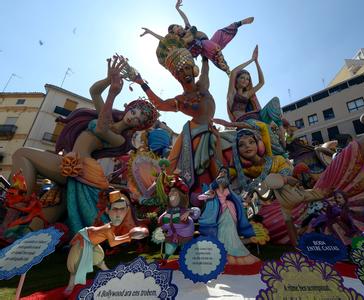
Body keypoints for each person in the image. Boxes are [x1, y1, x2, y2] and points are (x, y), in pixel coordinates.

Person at [233, 87, 364, 245]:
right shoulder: (244, 170)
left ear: (260, 143)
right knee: (273, 225)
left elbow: (291, 175)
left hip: (308, 196)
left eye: (251, 141)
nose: (247, 146)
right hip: (279, 211)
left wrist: (286, 177)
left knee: (343, 159)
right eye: (241, 144)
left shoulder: (277, 160)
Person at [7, 56, 159, 233]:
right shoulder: (108, 115)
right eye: (134, 111)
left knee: (22, 153)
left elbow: (102, 130)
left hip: (81, 166)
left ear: (139, 126)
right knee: (54, 208)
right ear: (128, 108)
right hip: (72, 162)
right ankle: (24, 233)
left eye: (138, 119)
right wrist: (108, 80)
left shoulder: (121, 140)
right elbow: (94, 92)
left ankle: (15, 208)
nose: (133, 116)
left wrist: (112, 93)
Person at [132, 50, 224, 194]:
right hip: (192, 132)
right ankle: (161, 190)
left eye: (187, 68)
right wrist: (142, 83)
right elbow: (160, 104)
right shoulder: (180, 100)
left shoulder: (203, 86)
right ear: (177, 77)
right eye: (180, 71)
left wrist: (205, 52)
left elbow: (205, 68)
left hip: (210, 129)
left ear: (194, 69)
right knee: (172, 161)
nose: (185, 72)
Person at [64, 191, 149, 295]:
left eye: (122, 209)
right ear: (108, 210)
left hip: (92, 242)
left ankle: (108, 274)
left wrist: (129, 236)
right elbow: (113, 243)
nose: (118, 213)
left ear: (127, 210)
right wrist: (129, 237)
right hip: (84, 240)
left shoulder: (111, 225)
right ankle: (71, 285)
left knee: (99, 259)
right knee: (76, 264)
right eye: (115, 209)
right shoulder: (109, 228)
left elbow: (114, 237)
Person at [141, 0, 253, 74]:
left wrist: (178, 9)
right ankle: (227, 70)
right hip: (198, 48)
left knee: (219, 33)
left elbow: (185, 19)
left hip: (206, 42)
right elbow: (163, 39)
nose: (178, 27)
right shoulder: (178, 40)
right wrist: (150, 32)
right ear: (173, 32)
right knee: (209, 46)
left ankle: (239, 23)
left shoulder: (188, 29)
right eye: (175, 27)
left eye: (177, 25)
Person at [198, 167, 258, 265]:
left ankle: (232, 251)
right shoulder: (213, 188)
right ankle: (221, 252)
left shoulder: (228, 189)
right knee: (221, 232)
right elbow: (201, 197)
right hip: (218, 215)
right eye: (221, 171)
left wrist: (242, 201)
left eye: (225, 172)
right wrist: (209, 196)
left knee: (230, 232)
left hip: (229, 212)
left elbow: (237, 199)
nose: (222, 173)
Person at [158, 177, 200, 260]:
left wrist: (189, 212)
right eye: (170, 192)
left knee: (186, 251)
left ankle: (188, 261)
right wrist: (161, 223)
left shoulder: (184, 210)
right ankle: (165, 259)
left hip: (185, 236)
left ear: (180, 195)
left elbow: (196, 212)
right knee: (169, 250)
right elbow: (162, 223)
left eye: (174, 192)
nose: (171, 194)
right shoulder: (168, 212)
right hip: (171, 235)